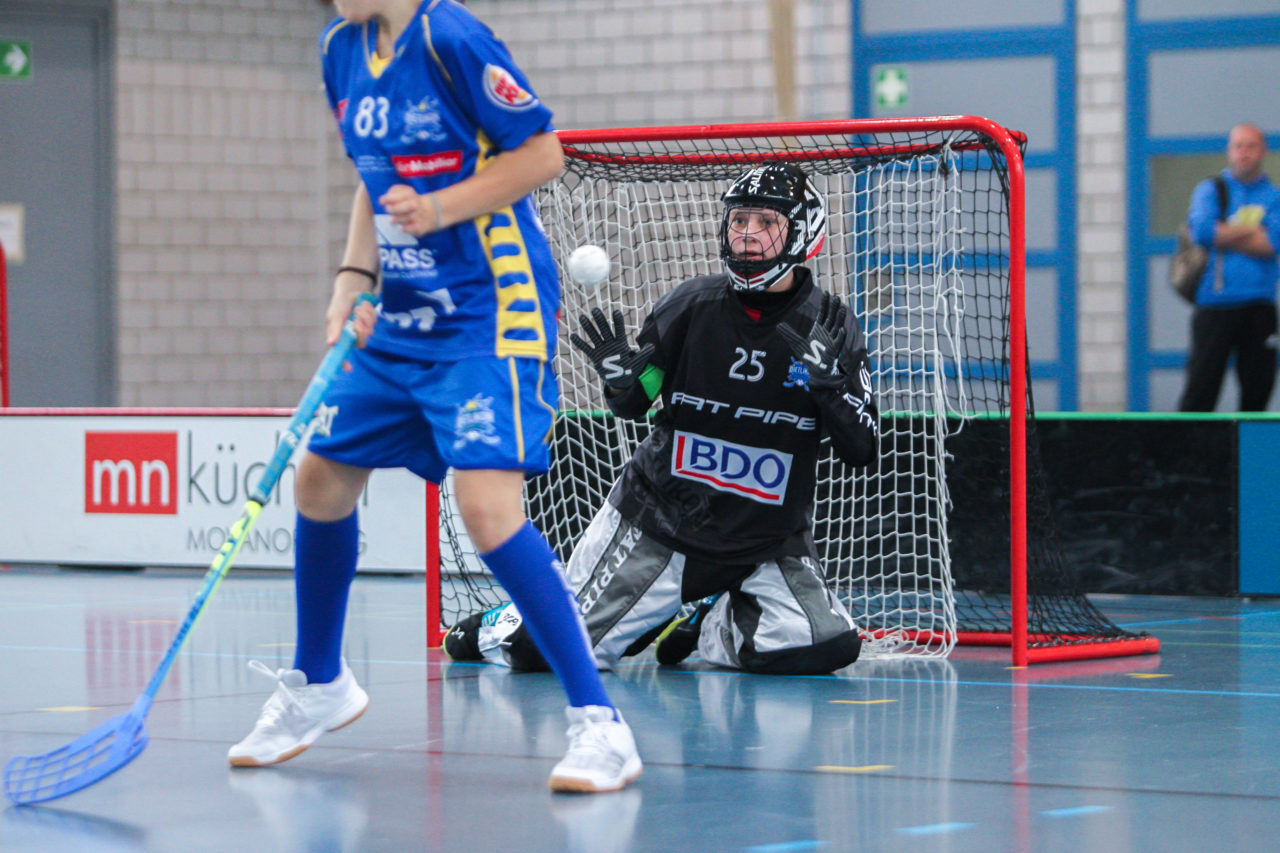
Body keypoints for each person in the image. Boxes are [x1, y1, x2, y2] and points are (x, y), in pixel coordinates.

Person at [228, 0, 641, 794]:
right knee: (320, 477)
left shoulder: (450, 38)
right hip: (404, 316)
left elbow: (543, 154)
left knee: (486, 510)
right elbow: (372, 179)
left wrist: (444, 206)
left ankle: (600, 723)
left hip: (492, 310)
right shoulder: (340, 51)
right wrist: (353, 278)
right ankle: (320, 682)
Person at [445, 163, 879, 677]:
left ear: (805, 232)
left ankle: (709, 620)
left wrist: (832, 388)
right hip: (661, 524)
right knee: (546, 654)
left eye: (766, 222)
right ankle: (509, 622)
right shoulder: (692, 305)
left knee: (825, 646)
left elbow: (862, 450)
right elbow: (635, 402)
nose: (747, 235)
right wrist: (622, 381)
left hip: (766, 541)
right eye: (739, 221)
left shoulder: (830, 324)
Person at [1178, 123, 1280, 412]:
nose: (1244, 153)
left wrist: (1226, 231)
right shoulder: (1211, 190)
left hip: (1259, 307)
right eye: (1238, 146)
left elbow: (1273, 242)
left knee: (1258, 392)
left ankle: (1248, 456)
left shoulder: (1274, 196)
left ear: (1262, 151)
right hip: (1214, 305)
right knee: (1200, 391)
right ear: (1230, 151)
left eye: (1251, 146)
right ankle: (1188, 454)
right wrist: (1252, 231)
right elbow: (1203, 233)